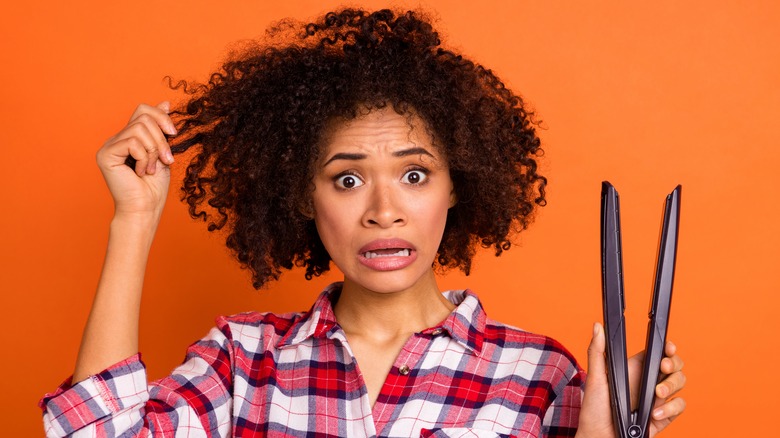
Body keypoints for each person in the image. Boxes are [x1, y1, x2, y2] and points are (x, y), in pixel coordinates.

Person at [40, 8, 685, 438]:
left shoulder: (541, 378)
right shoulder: (243, 362)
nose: (383, 210)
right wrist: (136, 216)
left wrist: (606, 429)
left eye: (413, 174)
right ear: (301, 196)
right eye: (347, 179)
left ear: (456, 185)